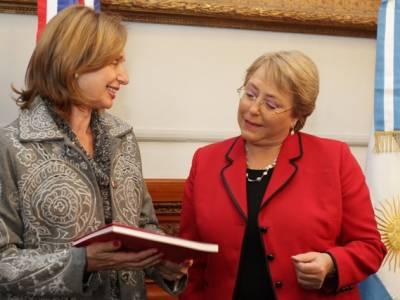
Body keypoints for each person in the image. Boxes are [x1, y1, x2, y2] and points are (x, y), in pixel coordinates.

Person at [0, 5, 189, 299]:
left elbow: (143, 225)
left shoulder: (122, 137)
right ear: (74, 63)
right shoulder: (10, 146)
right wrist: (83, 263)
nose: (124, 77)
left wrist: (164, 261)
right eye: (114, 62)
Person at [179, 50, 386, 300]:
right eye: (250, 94)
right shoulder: (206, 160)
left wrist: (331, 263)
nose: (253, 109)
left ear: (297, 115)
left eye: (271, 104)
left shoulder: (334, 158)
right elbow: (192, 257)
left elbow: (369, 248)